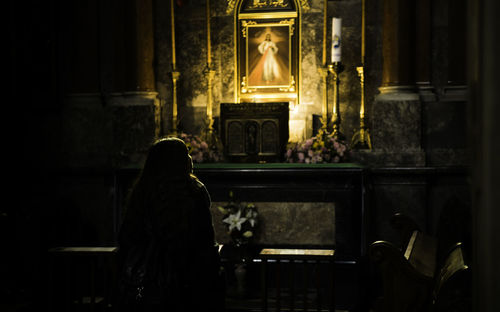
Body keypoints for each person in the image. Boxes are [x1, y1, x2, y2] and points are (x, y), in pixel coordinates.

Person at [117, 137, 223, 312]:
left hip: (147, 280)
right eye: (186, 155)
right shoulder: (193, 191)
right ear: (179, 162)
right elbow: (204, 238)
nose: (190, 159)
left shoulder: (142, 191)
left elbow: (127, 236)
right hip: (188, 280)